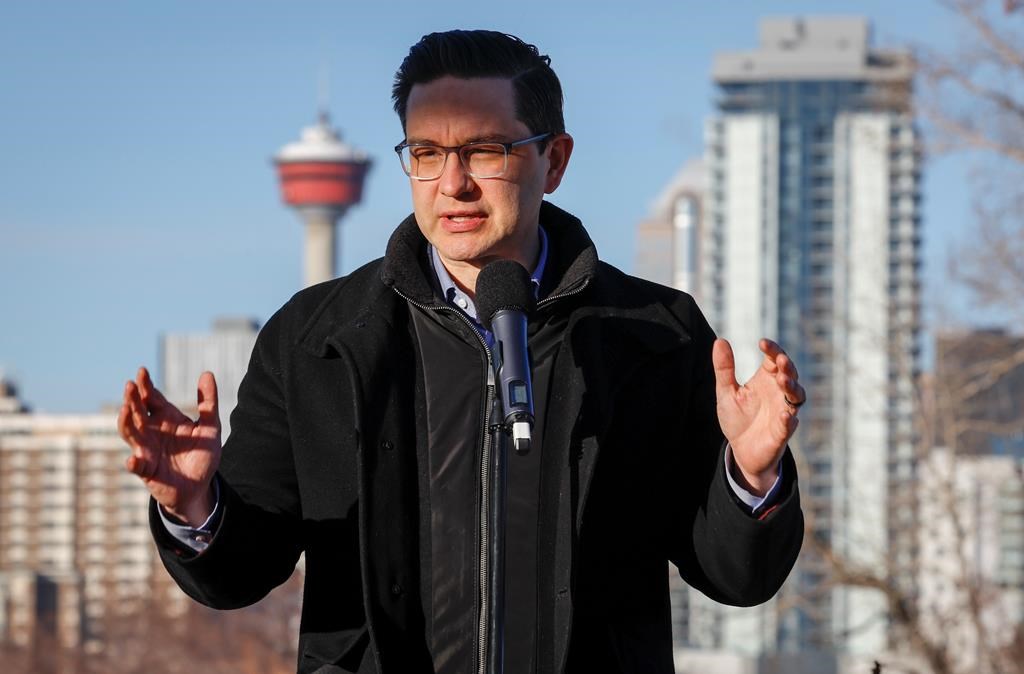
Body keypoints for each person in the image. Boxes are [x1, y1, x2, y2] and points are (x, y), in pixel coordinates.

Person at [119, 30, 805, 674]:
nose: (453, 184)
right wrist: (194, 505)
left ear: (554, 160)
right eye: (425, 153)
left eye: (485, 151)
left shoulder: (654, 333)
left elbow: (735, 577)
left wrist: (748, 474)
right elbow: (240, 573)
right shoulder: (316, 337)